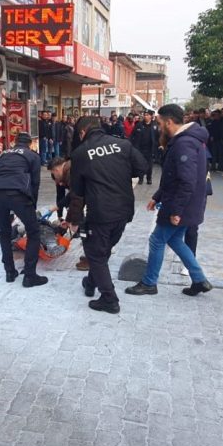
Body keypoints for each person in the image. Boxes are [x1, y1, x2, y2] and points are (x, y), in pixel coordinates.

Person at [126, 104, 213, 299]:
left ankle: (149, 283)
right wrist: (156, 197)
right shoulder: (185, 140)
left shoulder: (184, 144)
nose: (158, 127)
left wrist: (176, 211)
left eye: (159, 123)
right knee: (174, 240)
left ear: (169, 122)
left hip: (180, 204)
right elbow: (173, 177)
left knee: (157, 240)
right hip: (182, 202)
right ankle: (199, 280)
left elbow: (186, 181)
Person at [68, 116, 149, 313]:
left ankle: (109, 299)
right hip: (124, 210)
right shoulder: (123, 144)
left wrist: (73, 220)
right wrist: (118, 172)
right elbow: (142, 168)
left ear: (82, 132)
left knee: (96, 254)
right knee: (102, 250)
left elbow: (77, 192)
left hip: (101, 212)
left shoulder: (80, 153)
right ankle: (90, 283)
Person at [0, 133, 47, 287]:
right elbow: (35, 183)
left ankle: (10, 271)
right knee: (33, 231)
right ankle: (30, 275)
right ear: (30, 144)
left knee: (4, 232)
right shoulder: (33, 156)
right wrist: (32, 205)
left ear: (15, 142)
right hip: (18, 193)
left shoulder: (2, 154)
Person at [131, 111, 159, 185]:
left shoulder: (155, 125)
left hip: (150, 149)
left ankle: (149, 178)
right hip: (140, 149)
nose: (145, 116)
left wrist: (158, 145)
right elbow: (132, 135)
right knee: (140, 164)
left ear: (151, 116)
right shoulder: (139, 125)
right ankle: (141, 178)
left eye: (147, 115)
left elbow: (158, 136)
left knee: (149, 165)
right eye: (144, 115)